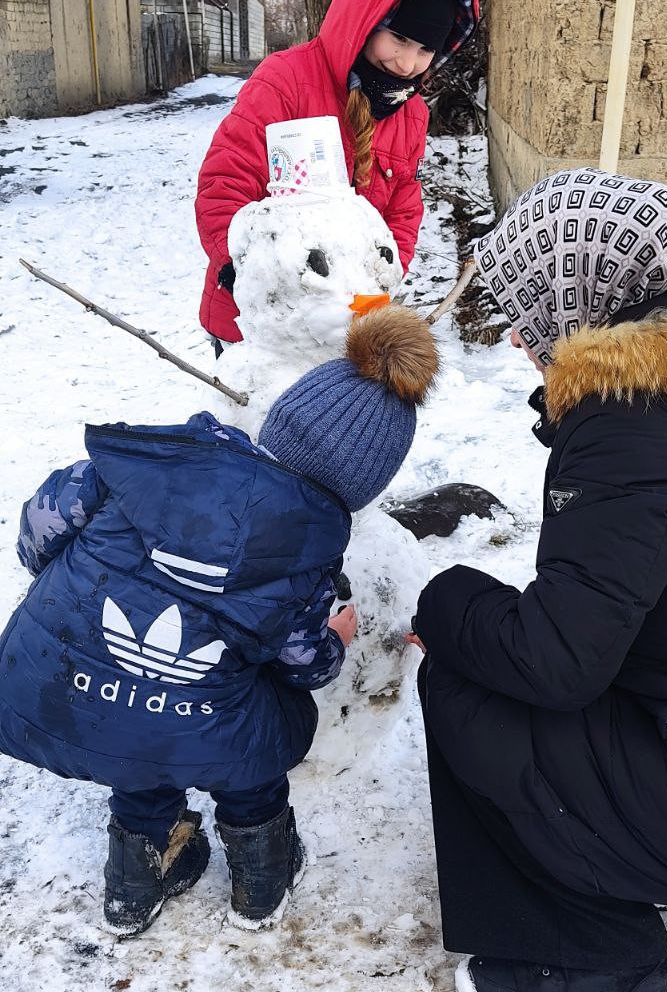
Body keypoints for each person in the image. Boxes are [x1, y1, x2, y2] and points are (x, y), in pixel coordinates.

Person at [0, 305, 438, 938]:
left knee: (138, 735)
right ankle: (261, 879)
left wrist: (64, 579)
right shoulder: (310, 552)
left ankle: (135, 880)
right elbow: (302, 663)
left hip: (49, 690)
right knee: (252, 722)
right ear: (363, 484)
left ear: (283, 422)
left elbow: (40, 527)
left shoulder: (151, 463)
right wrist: (334, 641)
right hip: (187, 720)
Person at [411, 167, 667, 992]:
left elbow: (557, 663)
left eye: (527, 306)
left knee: (472, 685)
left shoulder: (635, 419)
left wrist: (444, 602)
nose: (515, 338)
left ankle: (598, 962)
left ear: (577, 295)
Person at [195, 0, 478, 345]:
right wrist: (249, 276)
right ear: (368, 16)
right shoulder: (286, 81)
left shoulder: (412, 114)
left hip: (349, 325)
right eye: (399, 38)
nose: (406, 63)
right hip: (259, 323)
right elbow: (224, 185)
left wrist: (380, 284)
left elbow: (402, 211)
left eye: (425, 50)